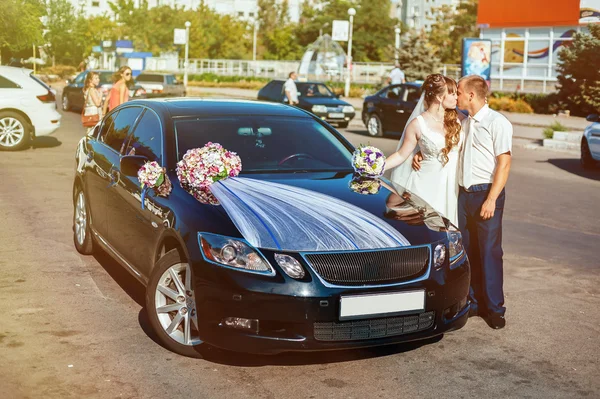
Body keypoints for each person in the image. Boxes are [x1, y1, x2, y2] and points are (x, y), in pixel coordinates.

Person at [412, 75, 513, 330]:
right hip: (463, 194)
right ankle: (473, 302)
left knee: (490, 252)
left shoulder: (497, 123)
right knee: (467, 252)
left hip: (485, 194)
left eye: (458, 91)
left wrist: (491, 199)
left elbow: (504, 162)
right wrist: (420, 155)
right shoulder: (463, 121)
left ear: (470, 95)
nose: (455, 95)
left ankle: (495, 309)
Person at [384, 73, 463, 226]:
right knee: (429, 230)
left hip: (452, 185)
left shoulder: (458, 119)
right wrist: (376, 166)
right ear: (440, 97)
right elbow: (401, 155)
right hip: (427, 186)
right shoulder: (417, 124)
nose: (456, 97)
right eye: (452, 94)